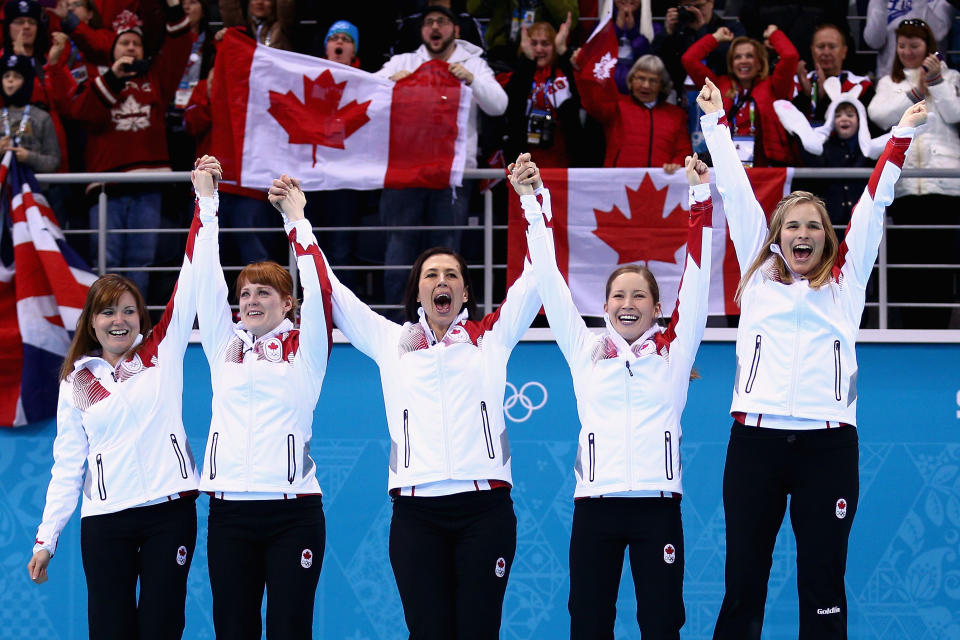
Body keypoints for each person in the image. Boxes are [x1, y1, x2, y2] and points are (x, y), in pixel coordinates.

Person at [697, 76, 927, 639]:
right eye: (792, 226)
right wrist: (714, 123)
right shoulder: (757, 275)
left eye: (813, 227)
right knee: (745, 578)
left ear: (827, 238)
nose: (802, 234)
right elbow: (735, 188)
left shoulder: (845, 286)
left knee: (823, 581)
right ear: (776, 236)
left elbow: (872, 206)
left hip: (828, 446)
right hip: (755, 443)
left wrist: (897, 139)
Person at [269, 167, 542, 639]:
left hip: (486, 511)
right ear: (417, 289)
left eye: (452, 275)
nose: (442, 280)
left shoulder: (492, 338)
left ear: (464, 292)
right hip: (417, 515)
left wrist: (534, 201)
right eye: (432, 274)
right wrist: (297, 220)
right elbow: (328, 289)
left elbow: (540, 275)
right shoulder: (390, 341)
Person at [516, 148, 713, 638]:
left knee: (663, 622)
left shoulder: (674, 352)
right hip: (595, 506)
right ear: (604, 305)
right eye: (619, 296)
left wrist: (700, 197)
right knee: (588, 622)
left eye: (639, 296)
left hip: (658, 506)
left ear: (657, 306)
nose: (628, 304)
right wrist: (531, 203)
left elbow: (700, 274)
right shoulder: (584, 347)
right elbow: (548, 278)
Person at [26, 160, 214, 640]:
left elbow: (190, 276)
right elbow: (68, 466)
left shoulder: (162, 352)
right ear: (91, 322)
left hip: (168, 514)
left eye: (129, 311)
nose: (119, 320)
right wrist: (47, 539)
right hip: (106, 522)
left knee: (161, 625)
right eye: (108, 311)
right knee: (110, 629)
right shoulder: (78, 384)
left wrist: (205, 202)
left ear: (141, 318)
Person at [193, 159, 333, 640]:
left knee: (290, 630)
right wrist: (208, 203)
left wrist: (295, 219)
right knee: (233, 630)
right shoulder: (223, 347)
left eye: (264, 292)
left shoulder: (306, 349)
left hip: (293, 513)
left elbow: (320, 287)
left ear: (287, 303)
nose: (251, 300)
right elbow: (204, 278)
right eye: (245, 293)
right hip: (229, 512)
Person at [375, 4, 508, 314]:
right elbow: (367, 98)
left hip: (452, 177)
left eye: (442, 22)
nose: (435, 27)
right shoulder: (403, 61)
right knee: (400, 251)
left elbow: (499, 105)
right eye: (429, 22)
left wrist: (473, 80)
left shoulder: (473, 63)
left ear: (455, 30)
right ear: (422, 31)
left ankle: (447, 326)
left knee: (447, 255)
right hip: (405, 175)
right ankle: (397, 325)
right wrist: (390, 85)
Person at [53, 4, 191, 297]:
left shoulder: (156, 79)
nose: (131, 47)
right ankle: (105, 327)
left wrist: (176, 10)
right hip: (107, 187)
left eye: (137, 43)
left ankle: (136, 331)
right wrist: (114, 78)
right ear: (113, 49)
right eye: (125, 42)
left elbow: (180, 48)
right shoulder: (98, 80)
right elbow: (85, 115)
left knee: (141, 262)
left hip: (149, 185)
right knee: (107, 263)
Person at [867, 17, 960, 328]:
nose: (907, 51)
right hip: (905, 189)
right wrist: (914, 91)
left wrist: (934, 83)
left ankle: (940, 327)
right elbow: (878, 115)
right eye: (902, 45)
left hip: (945, 188)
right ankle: (911, 325)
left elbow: (955, 114)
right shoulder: (889, 82)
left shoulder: (952, 78)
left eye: (914, 45)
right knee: (908, 264)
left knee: (942, 263)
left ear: (929, 47)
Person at [682, 26, 799, 166]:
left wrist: (774, 34)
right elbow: (689, 59)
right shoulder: (718, 87)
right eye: (738, 57)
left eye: (750, 56)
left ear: (760, 63)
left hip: (766, 167)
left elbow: (790, 57)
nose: (743, 61)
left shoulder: (774, 87)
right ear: (731, 64)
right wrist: (716, 38)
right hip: (728, 166)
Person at [577, 52, 691, 169]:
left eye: (653, 81)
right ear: (631, 81)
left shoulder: (676, 115)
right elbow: (590, 101)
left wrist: (676, 164)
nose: (646, 85)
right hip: (619, 182)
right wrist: (579, 69)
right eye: (641, 78)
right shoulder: (616, 106)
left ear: (662, 85)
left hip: (661, 184)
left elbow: (684, 151)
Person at [503, 16, 582, 167]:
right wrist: (528, 60)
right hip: (524, 164)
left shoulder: (566, 73)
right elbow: (513, 105)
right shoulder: (519, 74)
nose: (539, 49)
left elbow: (583, 97)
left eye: (545, 43)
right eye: (534, 43)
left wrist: (563, 51)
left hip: (563, 159)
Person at [792, 23, 873, 127]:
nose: (826, 52)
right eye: (821, 47)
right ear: (812, 50)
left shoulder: (861, 86)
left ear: (844, 51)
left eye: (832, 47)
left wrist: (825, 98)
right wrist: (805, 95)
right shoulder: (797, 84)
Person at [0, 51, 60, 172]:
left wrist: (29, 157)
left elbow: (54, 162)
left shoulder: (42, 117)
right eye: (6, 76)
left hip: (35, 188)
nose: (10, 80)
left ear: (26, 82)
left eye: (17, 76)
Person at [863, 0, 956, 77]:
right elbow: (874, 42)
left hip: (930, 79)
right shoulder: (879, 2)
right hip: (891, 80)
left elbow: (938, 34)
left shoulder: (941, 2)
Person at [218, 0, 295, 50]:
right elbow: (229, 7)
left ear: (274, 3)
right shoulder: (241, 28)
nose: (259, 2)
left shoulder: (283, 27)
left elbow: (286, 5)